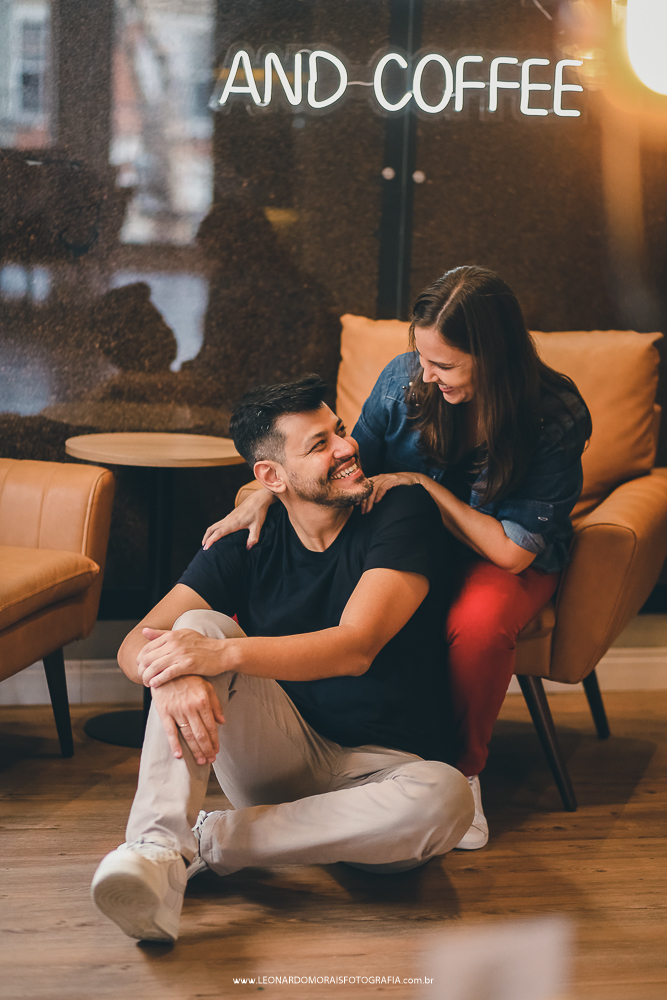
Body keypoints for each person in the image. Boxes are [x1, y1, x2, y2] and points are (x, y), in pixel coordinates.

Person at [201, 266, 592, 851]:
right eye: (422, 357)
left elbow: (512, 551)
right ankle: (322, 745)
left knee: (477, 626)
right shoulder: (406, 382)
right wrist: (267, 491)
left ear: (493, 354)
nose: (427, 375)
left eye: (446, 365)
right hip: (405, 535)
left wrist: (425, 488)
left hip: (499, 551)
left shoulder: (553, 413)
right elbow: (338, 465)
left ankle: (463, 771)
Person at [91, 375, 474, 944]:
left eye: (339, 432)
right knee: (192, 627)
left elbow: (356, 646)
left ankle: (204, 843)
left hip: (387, 777)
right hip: (280, 758)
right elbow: (135, 644)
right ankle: (155, 845)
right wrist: (170, 677)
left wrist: (217, 654)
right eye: (319, 445)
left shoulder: (400, 510)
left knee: (448, 798)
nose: (347, 448)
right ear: (271, 477)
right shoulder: (246, 539)